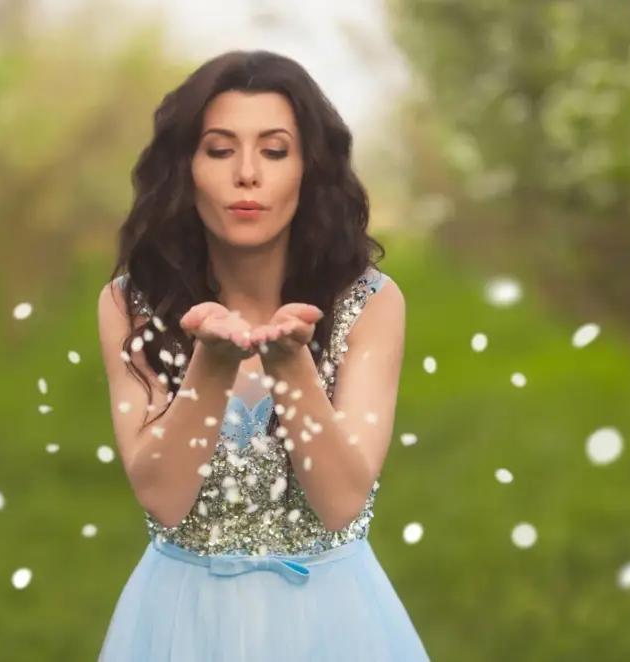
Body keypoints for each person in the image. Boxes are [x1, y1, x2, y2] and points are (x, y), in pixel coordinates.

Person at [96, 50, 431, 662]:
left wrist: (288, 364)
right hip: (178, 623)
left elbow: (340, 503)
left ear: (309, 168)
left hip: (332, 623)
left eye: (274, 151)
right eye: (220, 150)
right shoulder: (132, 303)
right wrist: (213, 362)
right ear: (185, 168)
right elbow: (164, 498)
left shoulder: (371, 303)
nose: (246, 174)